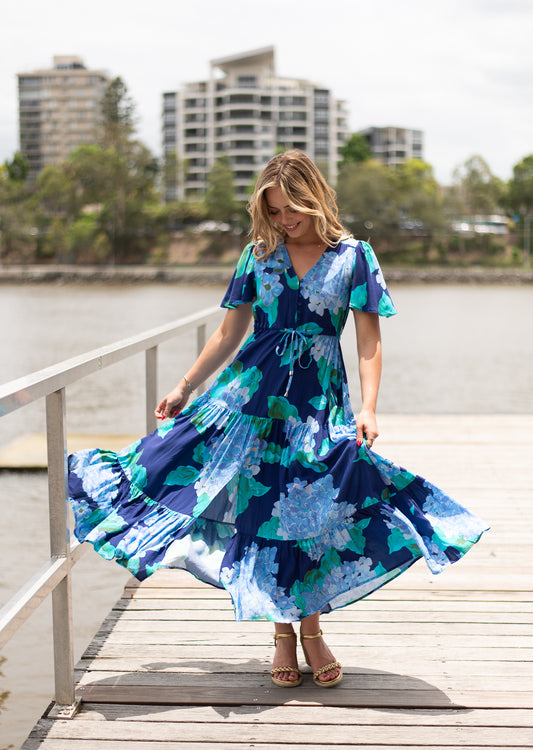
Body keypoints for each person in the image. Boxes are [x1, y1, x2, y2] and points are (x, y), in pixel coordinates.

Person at [68, 149, 488, 689]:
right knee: (261, 505)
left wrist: (369, 406)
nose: (285, 221)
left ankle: (308, 632)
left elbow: (368, 339)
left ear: (315, 199)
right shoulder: (257, 255)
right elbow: (227, 332)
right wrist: (183, 387)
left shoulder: (354, 257)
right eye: (275, 211)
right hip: (249, 399)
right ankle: (286, 635)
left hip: (317, 403)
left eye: (292, 209)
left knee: (312, 510)